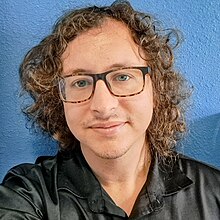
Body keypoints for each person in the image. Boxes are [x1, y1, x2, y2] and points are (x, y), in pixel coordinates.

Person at [0, 0, 219, 219]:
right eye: (80, 82)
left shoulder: (214, 192)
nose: (103, 107)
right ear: (58, 99)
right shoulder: (27, 195)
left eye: (123, 77)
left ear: (156, 89)